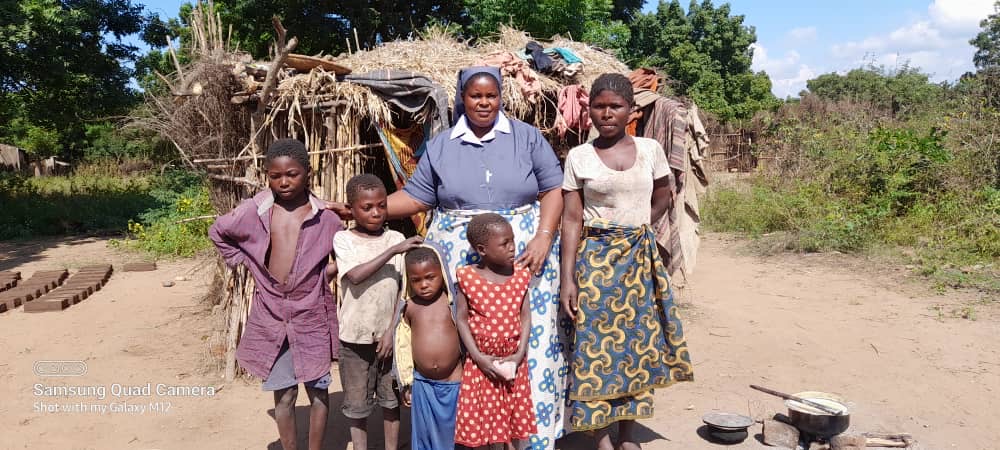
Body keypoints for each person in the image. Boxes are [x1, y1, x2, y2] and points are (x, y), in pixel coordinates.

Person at [329, 65, 569, 449]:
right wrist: (365, 209)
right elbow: (418, 196)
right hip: (460, 258)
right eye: (475, 96)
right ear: (462, 98)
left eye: (491, 95)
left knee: (527, 335)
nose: (484, 102)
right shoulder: (443, 144)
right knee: (468, 337)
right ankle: (476, 434)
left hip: (523, 256)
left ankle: (529, 434)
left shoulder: (526, 138)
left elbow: (554, 189)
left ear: (501, 97)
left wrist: (543, 237)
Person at [559, 74, 695, 450]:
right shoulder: (579, 157)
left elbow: (663, 197)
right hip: (595, 264)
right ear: (589, 111)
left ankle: (627, 436)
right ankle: (601, 437)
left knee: (635, 348)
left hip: (638, 262)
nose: (606, 113)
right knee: (595, 349)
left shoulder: (651, 150)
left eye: (615, 106)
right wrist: (567, 278)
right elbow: (571, 219)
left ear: (631, 110)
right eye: (599, 106)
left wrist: (635, 232)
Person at [208, 138, 341, 450]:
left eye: (292, 174)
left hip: (311, 315)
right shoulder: (254, 211)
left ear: (308, 172)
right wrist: (244, 261)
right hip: (270, 316)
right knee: (284, 392)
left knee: (319, 390)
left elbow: (350, 250)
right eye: (275, 175)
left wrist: (325, 274)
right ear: (267, 175)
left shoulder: (327, 218)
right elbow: (218, 231)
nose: (283, 181)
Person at [333, 173, 422, 450]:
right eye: (367, 207)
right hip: (354, 338)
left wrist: (391, 332)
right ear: (352, 209)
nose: (376, 213)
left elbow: (401, 292)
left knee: (391, 401)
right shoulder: (343, 239)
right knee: (357, 406)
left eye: (381, 206)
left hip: (389, 337)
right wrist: (394, 250)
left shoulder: (395, 236)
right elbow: (356, 275)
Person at [454, 213, 536, 449]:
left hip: (513, 363)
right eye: (504, 243)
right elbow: (461, 319)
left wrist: (520, 353)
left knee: (511, 422)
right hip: (481, 365)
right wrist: (478, 357)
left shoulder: (521, 275)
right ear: (482, 249)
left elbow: (525, 316)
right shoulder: (467, 277)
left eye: (512, 240)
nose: (513, 247)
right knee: (484, 424)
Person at [382, 243, 462, 450]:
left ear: (442, 274)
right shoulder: (409, 308)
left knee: (455, 436)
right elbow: (403, 347)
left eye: (430, 277)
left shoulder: (452, 303)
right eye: (416, 280)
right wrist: (406, 384)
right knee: (426, 436)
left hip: (455, 384)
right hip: (423, 385)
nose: (424, 285)